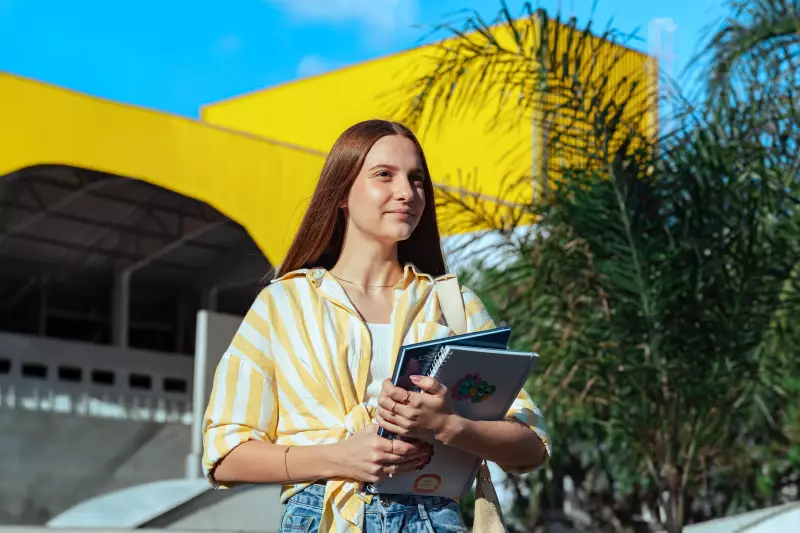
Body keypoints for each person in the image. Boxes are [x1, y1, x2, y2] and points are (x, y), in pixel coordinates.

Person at [201, 119, 551, 533]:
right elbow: (225, 456)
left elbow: (531, 447)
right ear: (341, 192)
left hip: (432, 517)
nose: (407, 192)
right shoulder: (283, 303)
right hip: (319, 517)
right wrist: (340, 457)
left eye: (417, 179)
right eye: (384, 175)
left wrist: (448, 425)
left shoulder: (452, 305)